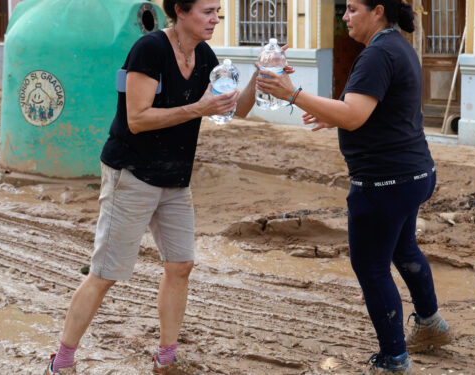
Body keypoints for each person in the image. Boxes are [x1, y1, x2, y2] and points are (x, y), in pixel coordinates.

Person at [43, 0, 291, 374]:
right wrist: (199, 108)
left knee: (181, 265)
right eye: (208, 11)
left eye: (218, 12)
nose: (216, 19)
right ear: (181, 10)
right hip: (132, 173)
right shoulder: (150, 49)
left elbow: (234, 109)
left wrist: (260, 73)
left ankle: (166, 357)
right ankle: (61, 362)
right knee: (106, 273)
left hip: (175, 178)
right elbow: (138, 118)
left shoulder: (205, 55)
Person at [256, 0, 452, 373]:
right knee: (404, 247)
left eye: (351, 9)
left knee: (371, 267)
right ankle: (431, 325)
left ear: (377, 11)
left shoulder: (378, 53)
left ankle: (394, 360)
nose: (344, 17)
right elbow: (368, 110)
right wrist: (335, 115)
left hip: (384, 183)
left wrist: (292, 94)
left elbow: (354, 113)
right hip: (415, 174)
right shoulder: (398, 45)